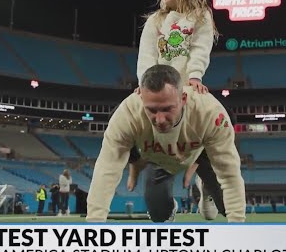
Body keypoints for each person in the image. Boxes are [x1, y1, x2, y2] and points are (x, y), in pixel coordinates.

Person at [86, 64, 245, 223]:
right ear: (141, 99)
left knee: (227, 207)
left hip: (200, 153)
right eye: (152, 110)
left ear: (183, 99)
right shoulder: (127, 114)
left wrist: (237, 224)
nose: (160, 120)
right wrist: (94, 223)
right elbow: (106, 168)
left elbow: (230, 174)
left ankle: (205, 185)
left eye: (167, 109)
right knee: (159, 215)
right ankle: (169, 206)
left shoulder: (209, 112)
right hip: (159, 159)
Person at [127, 0, 218, 194]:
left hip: (186, 87)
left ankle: (199, 171)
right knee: (123, 118)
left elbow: (200, 48)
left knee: (220, 120)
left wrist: (196, 76)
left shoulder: (200, 15)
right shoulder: (155, 21)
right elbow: (147, 55)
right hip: (159, 88)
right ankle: (135, 162)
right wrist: (145, 83)